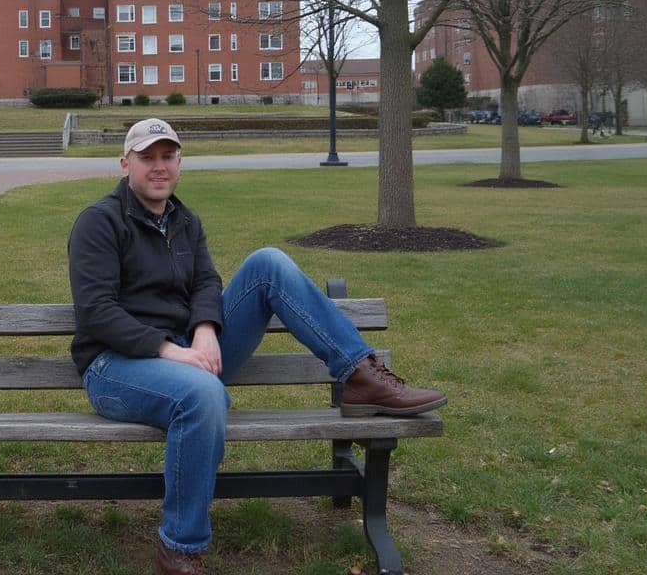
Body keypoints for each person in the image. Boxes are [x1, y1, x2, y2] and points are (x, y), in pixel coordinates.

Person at [68, 118, 447, 575]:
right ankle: (180, 550)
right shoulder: (99, 222)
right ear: (125, 163)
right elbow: (97, 312)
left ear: (180, 162)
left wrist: (206, 328)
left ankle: (360, 376)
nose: (159, 167)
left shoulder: (185, 222)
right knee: (203, 395)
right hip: (116, 367)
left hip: (190, 354)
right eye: (148, 157)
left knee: (268, 262)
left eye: (168, 156)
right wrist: (172, 351)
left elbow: (207, 281)